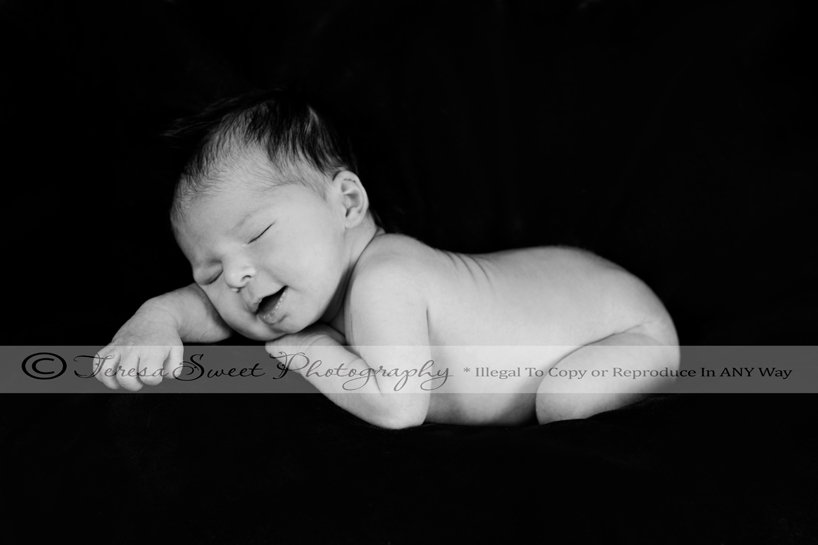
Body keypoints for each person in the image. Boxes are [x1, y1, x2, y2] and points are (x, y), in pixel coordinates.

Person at [94, 89, 680, 428]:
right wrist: (157, 320)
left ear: (347, 203)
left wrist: (316, 354)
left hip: (621, 325)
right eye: (211, 272)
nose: (237, 275)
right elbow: (214, 309)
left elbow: (398, 405)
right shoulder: (309, 287)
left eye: (259, 233)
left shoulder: (386, 278)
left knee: (566, 400)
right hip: (564, 279)